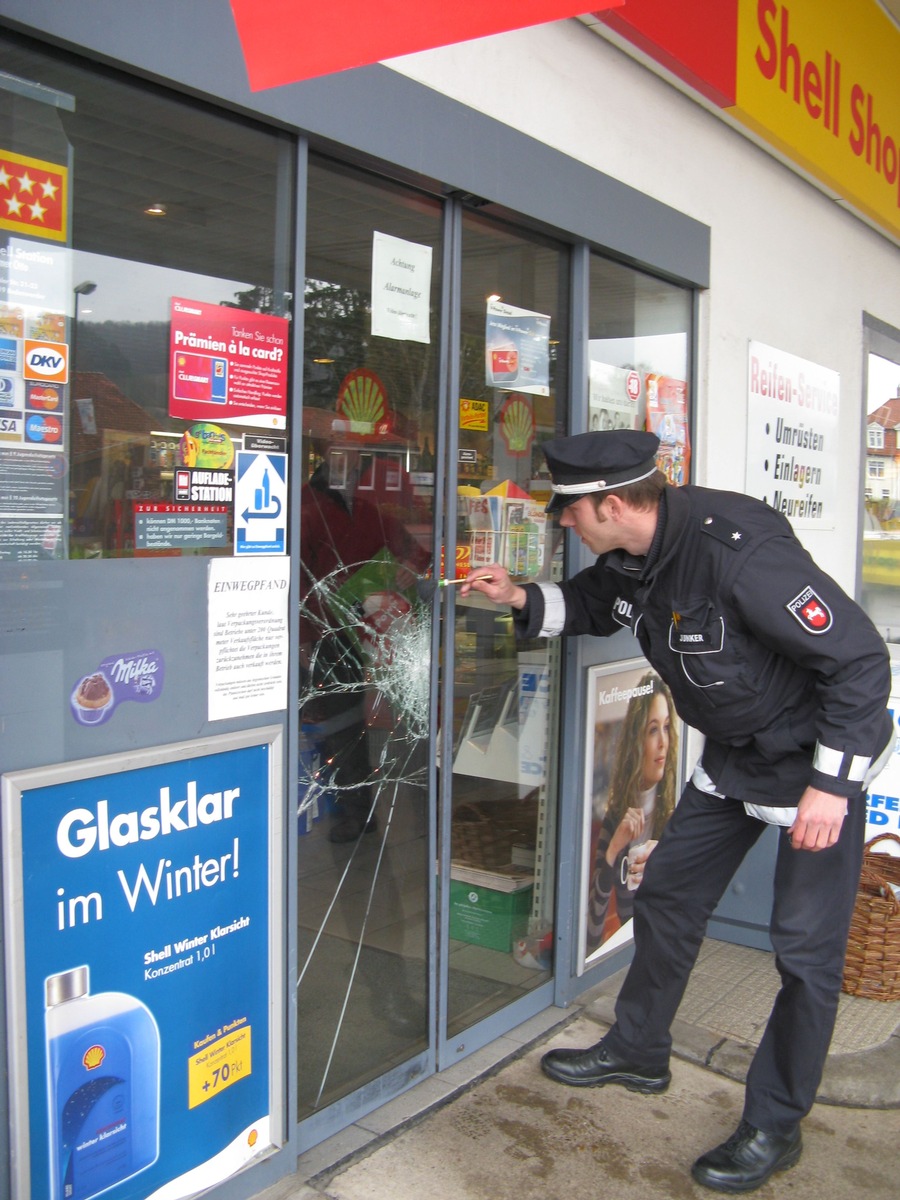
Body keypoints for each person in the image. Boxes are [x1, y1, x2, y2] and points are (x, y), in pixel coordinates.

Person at [461, 429, 892, 1193]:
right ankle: (638, 1049)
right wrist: (520, 597)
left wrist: (834, 785)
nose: (563, 522)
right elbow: (596, 605)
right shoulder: (630, 557)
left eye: (569, 510)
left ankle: (774, 1124)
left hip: (808, 770)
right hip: (730, 763)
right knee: (664, 897)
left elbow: (858, 659)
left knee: (804, 956)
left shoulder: (740, 553)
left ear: (614, 503)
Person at [586, 672, 678, 952]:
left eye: (665, 727)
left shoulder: (674, 812)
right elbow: (590, 936)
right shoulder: (617, 815)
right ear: (635, 740)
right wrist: (614, 850)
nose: (663, 742)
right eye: (652, 730)